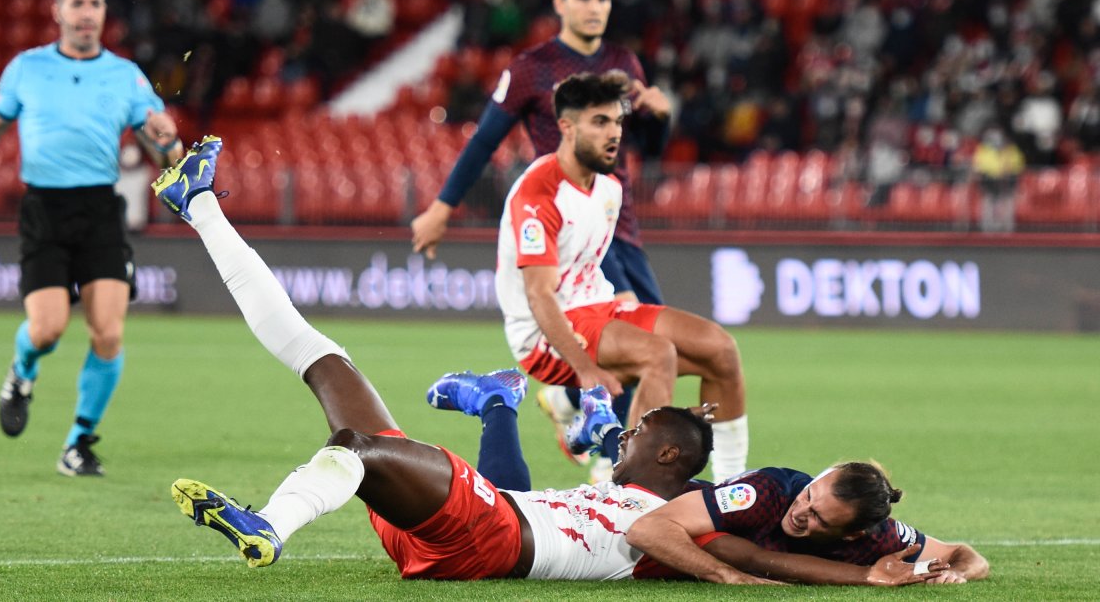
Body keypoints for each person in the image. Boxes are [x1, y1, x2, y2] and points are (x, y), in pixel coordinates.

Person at [154, 137, 943, 586]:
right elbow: (939, 550)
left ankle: (271, 525)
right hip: (448, 533)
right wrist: (944, 561)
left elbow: (751, 550)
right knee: (323, 360)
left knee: (360, 448)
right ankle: (202, 204)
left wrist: (827, 573)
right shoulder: (631, 483)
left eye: (638, 432)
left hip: (490, 535)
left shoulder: (679, 521)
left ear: (667, 452)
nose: (620, 436)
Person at [410, 0, 672, 464]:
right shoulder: (531, 69)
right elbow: (485, 140)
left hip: (620, 221)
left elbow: (647, 143)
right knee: (629, 343)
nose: (595, 8)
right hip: (566, 219)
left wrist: (660, 117)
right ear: (560, 4)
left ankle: (580, 413)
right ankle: (614, 465)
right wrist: (443, 205)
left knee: (650, 344)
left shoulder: (625, 64)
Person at [0, 0, 183, 476]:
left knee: (107, 332)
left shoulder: (126, 76)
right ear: (58, 11)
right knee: (47, 330)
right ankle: (22, 372)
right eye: (78, 4)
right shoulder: (27, 68)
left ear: (105, 13)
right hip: (45, 209)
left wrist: (168, 138)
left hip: (101, 211)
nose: (87, 14)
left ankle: (78, 444)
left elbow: (164, 156)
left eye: (96, 4)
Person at [495, 71, 749, 482]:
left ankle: (729, 487)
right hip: (542, 334)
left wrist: (620, 306)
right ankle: (633, 492)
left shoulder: (609, 188)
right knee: (657, 354)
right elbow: (540, 297)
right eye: (600, 122)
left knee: (720, 349)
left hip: (599, 308)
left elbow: (590, 261)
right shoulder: (539, 194)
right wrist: (585, 371)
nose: (613, 133)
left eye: (616, 121)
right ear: (566, 126)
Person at [626, 462, 990, 584]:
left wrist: (956, 573)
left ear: (852, 534)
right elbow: (647, 528)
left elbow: (965, 555)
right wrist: (726, 575)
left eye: (818, 517)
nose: (800, 512)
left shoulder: (880, 538)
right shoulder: (766, 492)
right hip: (635, 512)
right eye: (809, 494)